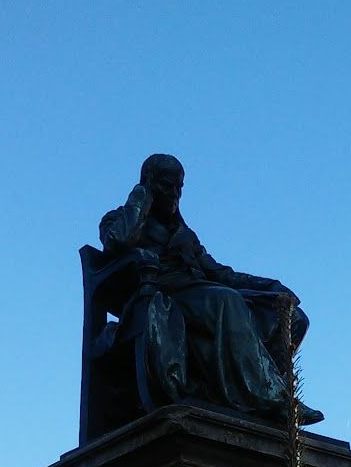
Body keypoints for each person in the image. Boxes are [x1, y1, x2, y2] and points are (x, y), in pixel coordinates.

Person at [98, 154, 322, 425]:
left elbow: (220, 273)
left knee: (291, 316)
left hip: (202, 293)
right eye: (166, 185)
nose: (174, 194)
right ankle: (274, 399)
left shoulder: (186, 234)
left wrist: (271, 287)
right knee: (227, 301)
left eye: (179, 187)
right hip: (167, 297)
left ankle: (261, 395)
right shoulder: (118, 219)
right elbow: (118, 241)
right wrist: (139, 198)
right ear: (148, 183)